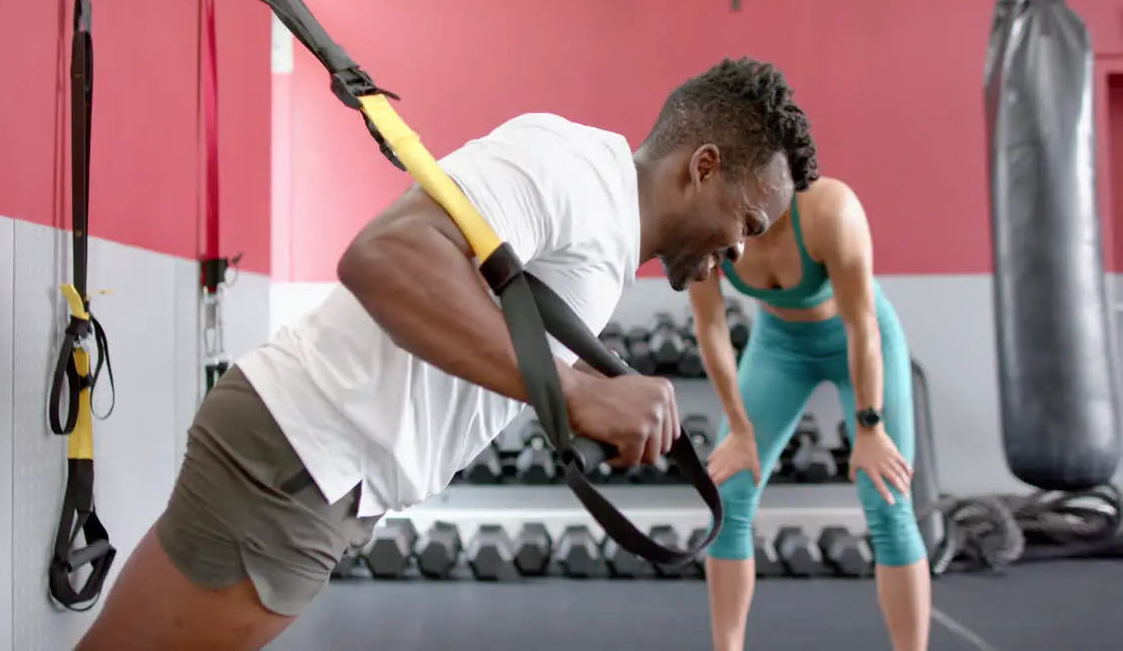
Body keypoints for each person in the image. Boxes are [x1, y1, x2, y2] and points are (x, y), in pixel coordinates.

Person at [74, 57, 819, 651]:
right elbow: (387, 257)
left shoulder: (607, 232)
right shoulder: (574, 172)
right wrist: (576, 393)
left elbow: (493, 308)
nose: (743, 247)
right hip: (298, 460)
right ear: (704, 166)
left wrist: (590, 385)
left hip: (317, 471)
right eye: (748, 220)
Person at [687, 177, 931, 651]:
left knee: (888, 500)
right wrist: (738, 428)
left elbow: (862, 326)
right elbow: (710, 327)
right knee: (728, 493)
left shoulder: (829, 210)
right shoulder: (704, 224)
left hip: (858, 341)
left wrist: (870, 428)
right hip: (779, 349)